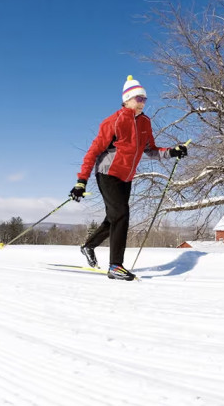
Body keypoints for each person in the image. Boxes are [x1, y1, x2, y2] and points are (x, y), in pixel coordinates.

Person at [71, 75, 188, 281]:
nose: (142, 102)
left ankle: (88, 246)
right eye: (138, 99)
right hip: (107, 173)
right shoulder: (113, 122)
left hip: (127, 177)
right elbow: (92, 152)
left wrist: (172, 152)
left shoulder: (145, 122)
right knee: (121, 214)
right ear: (127, 99)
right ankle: (115, 266)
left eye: (144, 99)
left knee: (114, 218)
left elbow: (151, 150)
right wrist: (81, 181)